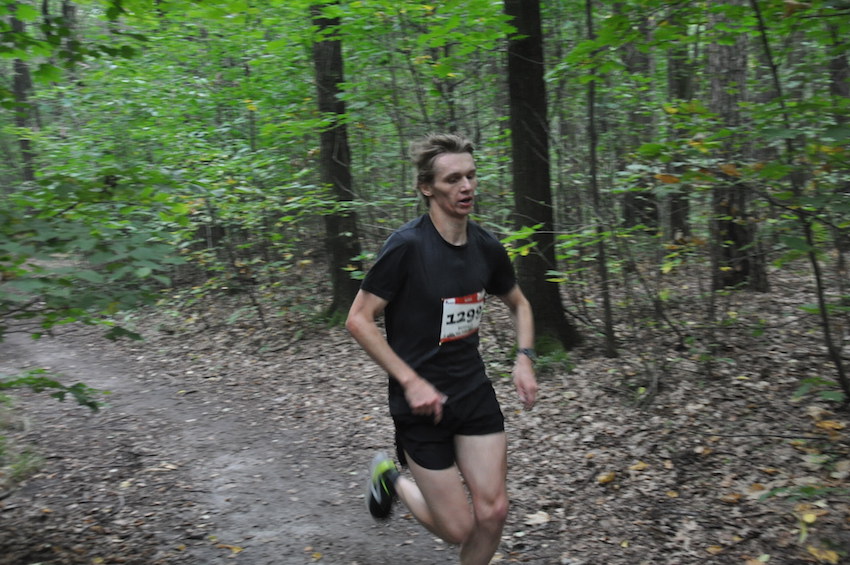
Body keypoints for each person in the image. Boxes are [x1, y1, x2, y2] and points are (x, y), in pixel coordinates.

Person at [345, 132, 538, 565]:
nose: (466, 186)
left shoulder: (486, 247)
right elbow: (358, 319)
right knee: (458, 529)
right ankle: (393, 480)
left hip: (472, 392)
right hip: (420, 405)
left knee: (494, 512)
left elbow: (520, 304)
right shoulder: (407, 247)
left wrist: (524, 359)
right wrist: (411, 382)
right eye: (453, 179)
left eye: (470, 176)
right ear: (427, 188)